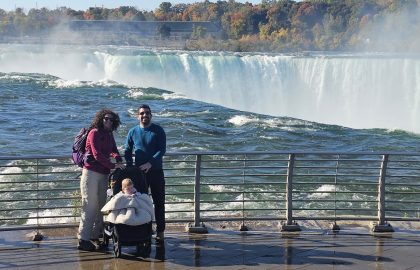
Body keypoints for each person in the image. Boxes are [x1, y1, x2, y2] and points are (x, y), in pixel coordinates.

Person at [77, 109, 125, 251]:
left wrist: (117, 157)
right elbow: (96, 154)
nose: (108, 121)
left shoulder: (109, 134)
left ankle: (95, 236)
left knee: (101, 206)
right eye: (106, 119)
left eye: (111, 120)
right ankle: (83, 239)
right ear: (100, 119)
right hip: (91, 173)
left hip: (103, 174)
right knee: (89, 205)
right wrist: (113, 165)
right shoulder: (94, 133)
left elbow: (113, 149)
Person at [124, 104, 166, 243]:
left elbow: (162, 150)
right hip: (139, 174)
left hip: (156, 172)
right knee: (141, 203)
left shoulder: (158, 130)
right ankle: (145, 230)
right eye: (142, 113)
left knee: (159, 202)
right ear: (138, 116)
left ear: (151, 115)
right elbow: (127, 150)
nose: (145, 115)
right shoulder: (132, 131)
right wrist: (130, 166)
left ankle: (160, 231)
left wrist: (150, 163)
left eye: (147, 113)